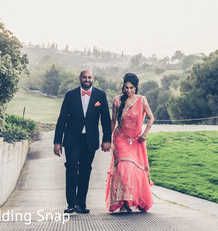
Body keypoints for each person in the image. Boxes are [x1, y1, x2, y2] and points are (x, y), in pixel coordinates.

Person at [54, 68, 112, 214]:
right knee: (72, 169)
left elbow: (105, 119)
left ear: (93, 78)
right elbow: (62, 119)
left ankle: (81, 204)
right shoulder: (70, 95)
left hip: (90, 140)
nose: (87, 80)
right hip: (72, 139)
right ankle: (71, 204)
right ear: (80, 78)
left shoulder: (100, 95)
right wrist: (57, 142)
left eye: (90, 77)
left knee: (85, 171)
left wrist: (107, 140)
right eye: (84, 77)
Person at [105, 72, 155, 213]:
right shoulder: (117, 100)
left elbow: (151, 118)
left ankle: (133, 200)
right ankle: (123, 202)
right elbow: (113, 121)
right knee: (123, 167)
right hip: (120, 138)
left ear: (136, 88)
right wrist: (109, 140)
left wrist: (144, 135)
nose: (128, 90)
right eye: (126, 87)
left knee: (135, 170)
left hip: (136, 141)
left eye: (131, 88)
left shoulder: (141, 100)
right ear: (123, 86)